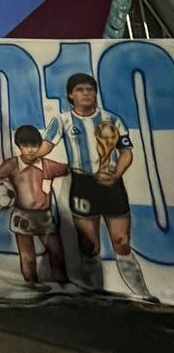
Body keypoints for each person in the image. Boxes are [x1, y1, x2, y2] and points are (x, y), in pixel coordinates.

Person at [40, 72, 152, 298]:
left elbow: (126, 153)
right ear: (71, 95)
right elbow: (45, 147)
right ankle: (94, 294)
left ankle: (143, 294)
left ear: (95, 93)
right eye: (80, 90)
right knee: (90, 246)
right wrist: (24, 157)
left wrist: (116, 174)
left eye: (89, 89)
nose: (86, 94)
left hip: (112, 185)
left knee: (121, 242)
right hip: (83, 185)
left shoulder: (112, 119)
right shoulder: (62, 121)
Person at [0, 125, 69, 285]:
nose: (31, 150)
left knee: (56, 252)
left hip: (44, 216)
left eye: (34, 146)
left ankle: (62, 284)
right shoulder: (12, 164)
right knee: (27, 256)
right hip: (21, 216)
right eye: (26, 146)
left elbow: (69, 169)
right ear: (19, 146)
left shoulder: (48, 165)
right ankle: (31, 284)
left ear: (40, 146)